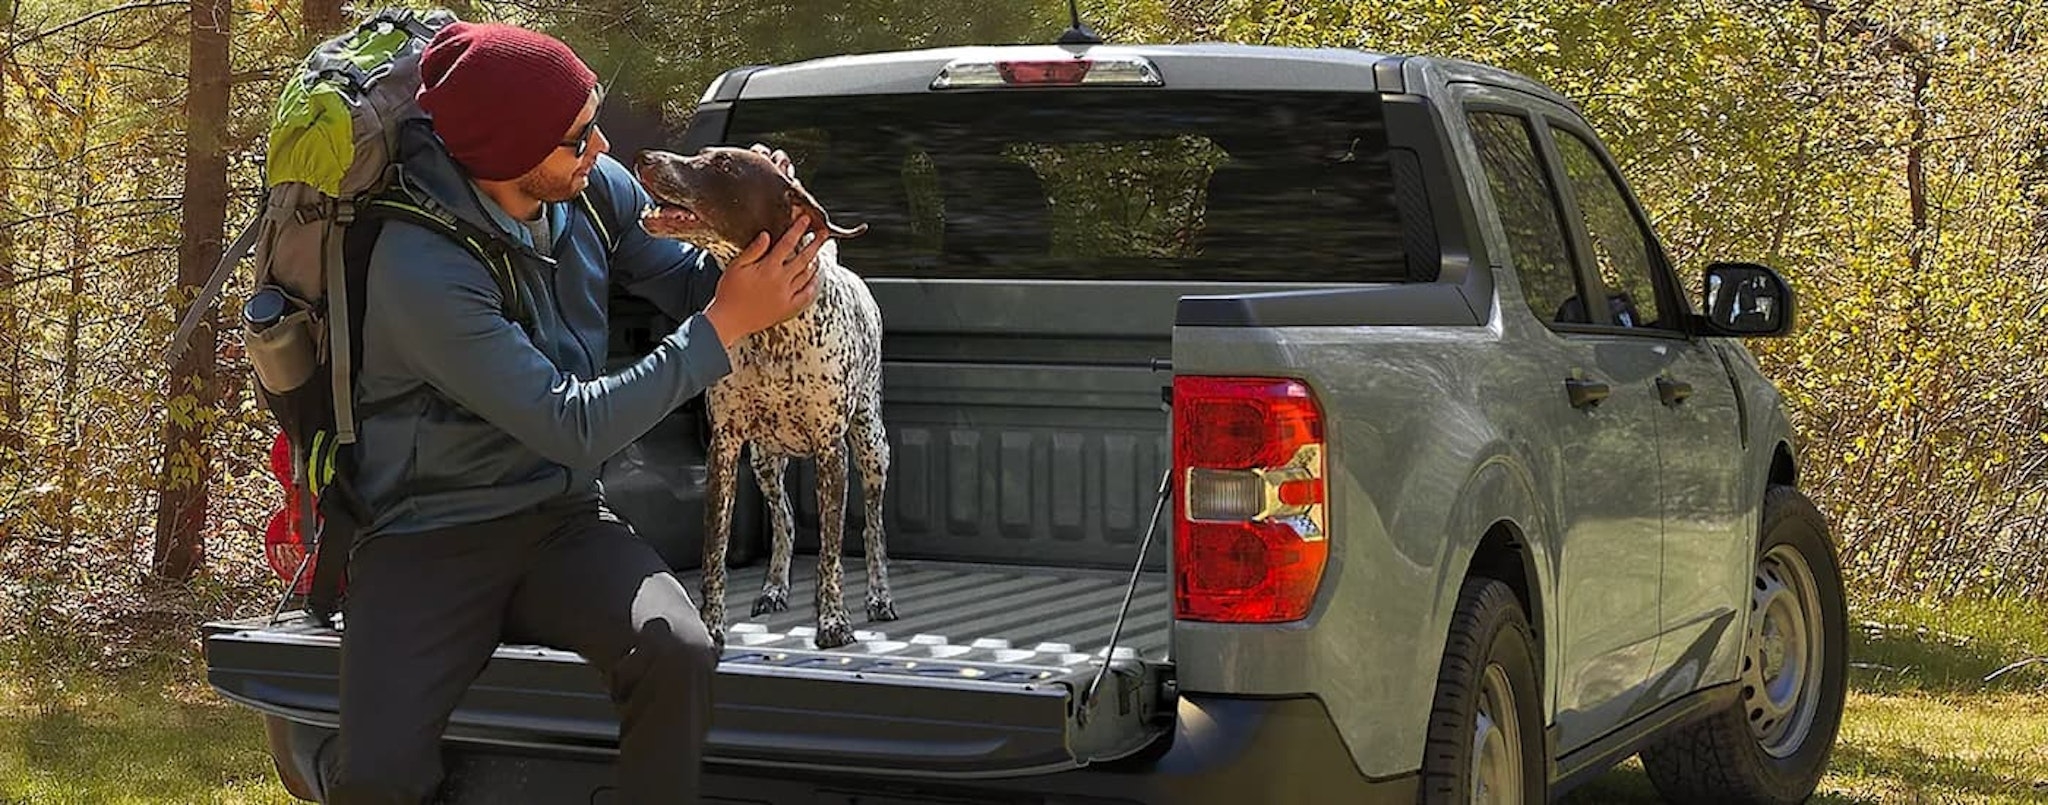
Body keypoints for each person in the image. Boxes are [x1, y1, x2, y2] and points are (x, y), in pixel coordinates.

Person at [323, 20, 824, 804]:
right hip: (427, 538)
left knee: (678, 647)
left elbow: (693, 287)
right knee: (377, 779)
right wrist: (725, 324)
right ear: (509, 154)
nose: (600, 151)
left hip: (560, 523)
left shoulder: (592, 194)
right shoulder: (421, 269)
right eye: (578, 138)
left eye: (593, 124)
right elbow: (573, 423)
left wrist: (762, 237)